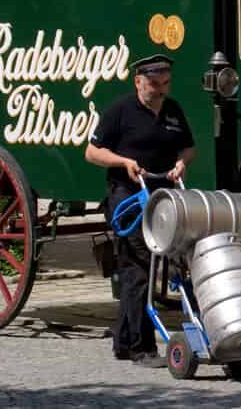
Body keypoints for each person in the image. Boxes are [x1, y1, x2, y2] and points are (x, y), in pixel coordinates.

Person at [84, 53, 195, 368]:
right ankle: (140, 347)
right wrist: (124, 162)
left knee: (151, 264)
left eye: (165, 84)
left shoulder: (172, 110)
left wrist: (181, 163)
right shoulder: (121, 110)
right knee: (139, 264)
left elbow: (189, 146)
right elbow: (91, 152)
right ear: (138, 82)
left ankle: (122, 340)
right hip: (128, 196)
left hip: (162, 196)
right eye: (154, 84)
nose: (160, 90)